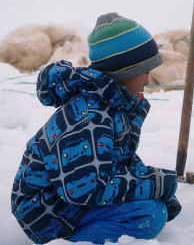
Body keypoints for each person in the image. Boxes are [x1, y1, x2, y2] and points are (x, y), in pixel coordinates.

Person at [11, 13, 182, 244]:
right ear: (125, 72)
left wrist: (158, 188)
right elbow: (84, 189)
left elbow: (118, 161)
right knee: (148, 215)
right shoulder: (91, 118)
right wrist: (156, 184)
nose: (148, 82)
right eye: (145, 72)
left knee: (153, 207)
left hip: (64, 202)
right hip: (45, 213)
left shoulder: (112, 106)